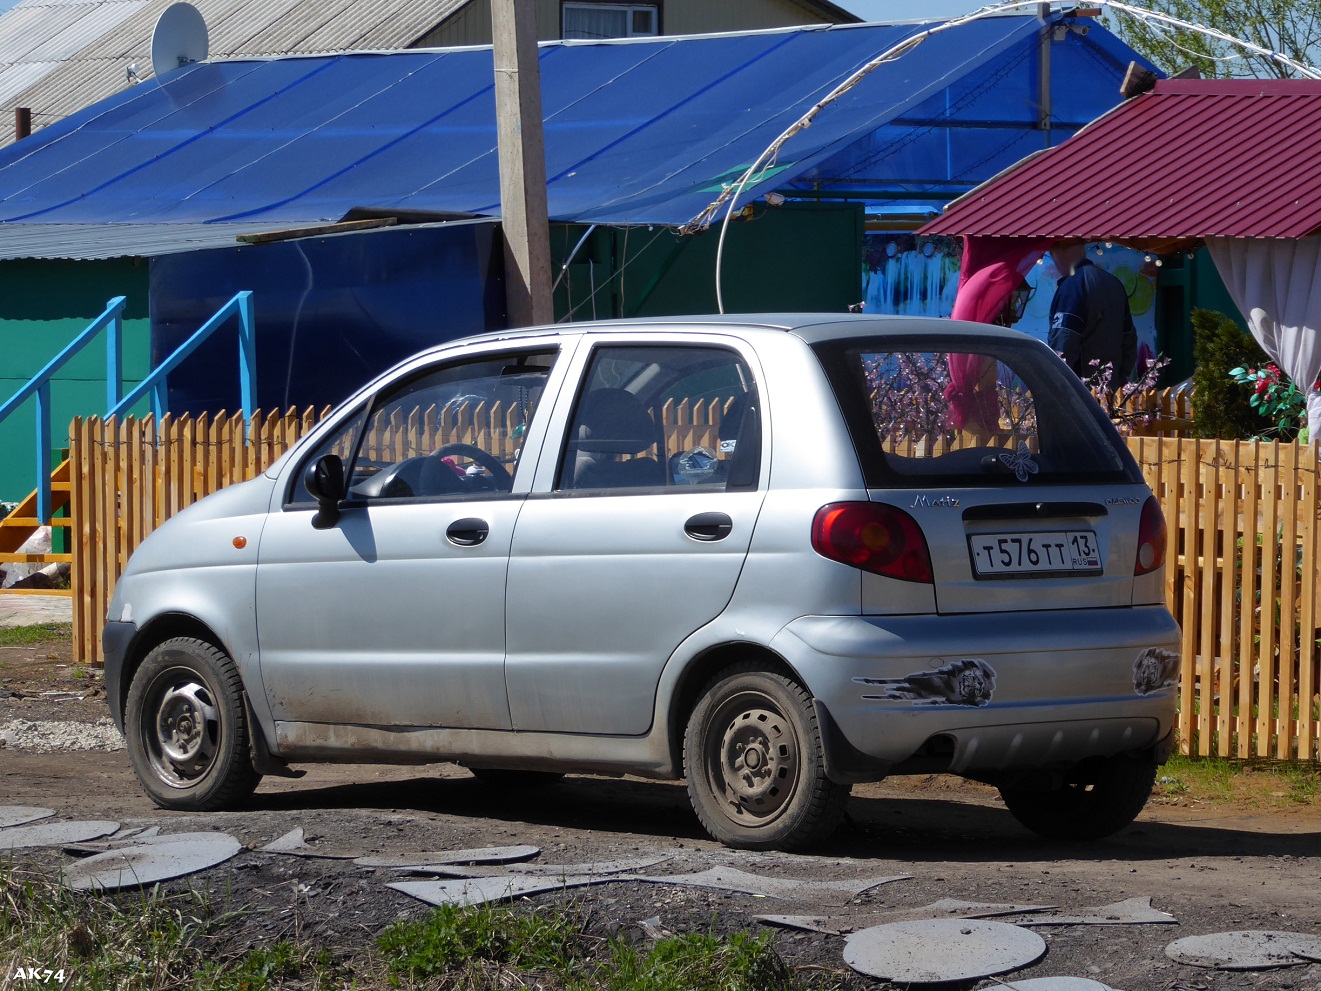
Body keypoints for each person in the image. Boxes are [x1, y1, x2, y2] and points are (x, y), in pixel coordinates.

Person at [1048, 240, 1137, 383]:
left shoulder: (1072, 287)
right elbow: (1129, 341)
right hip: (1111, 391)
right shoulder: (1114, 284)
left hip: (1081, 393)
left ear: (1059, 252)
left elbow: (1063, 344)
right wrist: (1119, 378)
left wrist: (1055, 384)